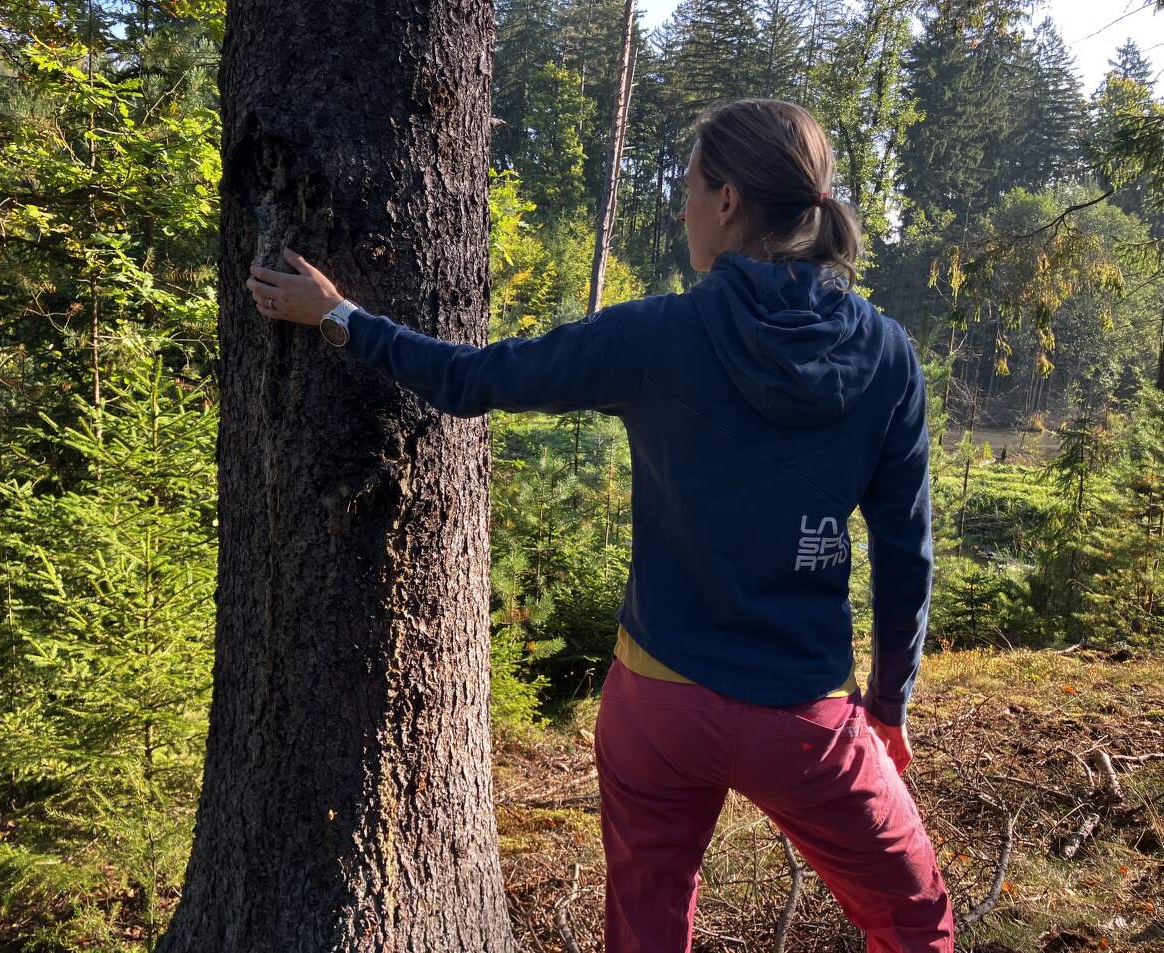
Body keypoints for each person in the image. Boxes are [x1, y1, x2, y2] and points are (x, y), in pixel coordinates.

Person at [246, 97, 954, 953]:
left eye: (689, 189)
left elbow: (473, 379)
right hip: (803, 720)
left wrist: (341, 316)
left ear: (728, 201)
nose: (683, 210)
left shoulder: (657, 334)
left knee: (646, 929)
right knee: (916, 921)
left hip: (658, 703)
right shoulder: (887, 356)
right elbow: (906, 555)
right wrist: (889, 702)